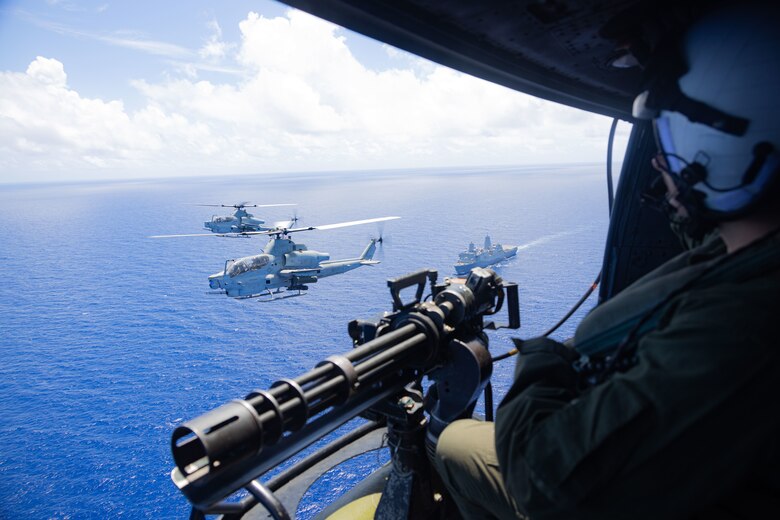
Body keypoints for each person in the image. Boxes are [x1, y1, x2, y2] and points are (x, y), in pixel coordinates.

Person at [433, 2, 780, 519]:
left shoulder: (744, 325)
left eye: (668, 132)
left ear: (720, 142)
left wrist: (546, 358)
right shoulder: (739, 246)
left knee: (454, 442)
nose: (660, 161)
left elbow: (539, 478)